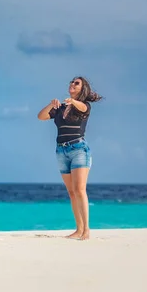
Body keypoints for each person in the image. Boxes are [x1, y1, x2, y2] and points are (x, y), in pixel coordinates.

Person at [37, 76, 102, 240]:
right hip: (61, 151)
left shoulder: (83, 106)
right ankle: (78, 229)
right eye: (71, 82)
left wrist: (72, 102)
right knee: (72, 192)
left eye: (76, 83)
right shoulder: (61, 107)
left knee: (80, 189)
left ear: (83, 89)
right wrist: (51, 105)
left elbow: (82, 107)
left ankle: (86, 230)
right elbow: (41, 116)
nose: (72, 84)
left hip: (79, 150)